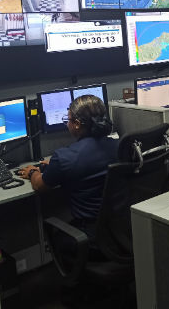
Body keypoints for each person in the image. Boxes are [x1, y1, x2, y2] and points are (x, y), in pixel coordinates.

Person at [18, 95, 118, 238]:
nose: (67, 124)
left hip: (90, 233)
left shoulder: (65, 157)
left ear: (76, 124)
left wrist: (33, 171)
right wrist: (53, 165)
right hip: (121, 228)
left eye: (68, 120)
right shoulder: (120, 146)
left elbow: (39, 186)